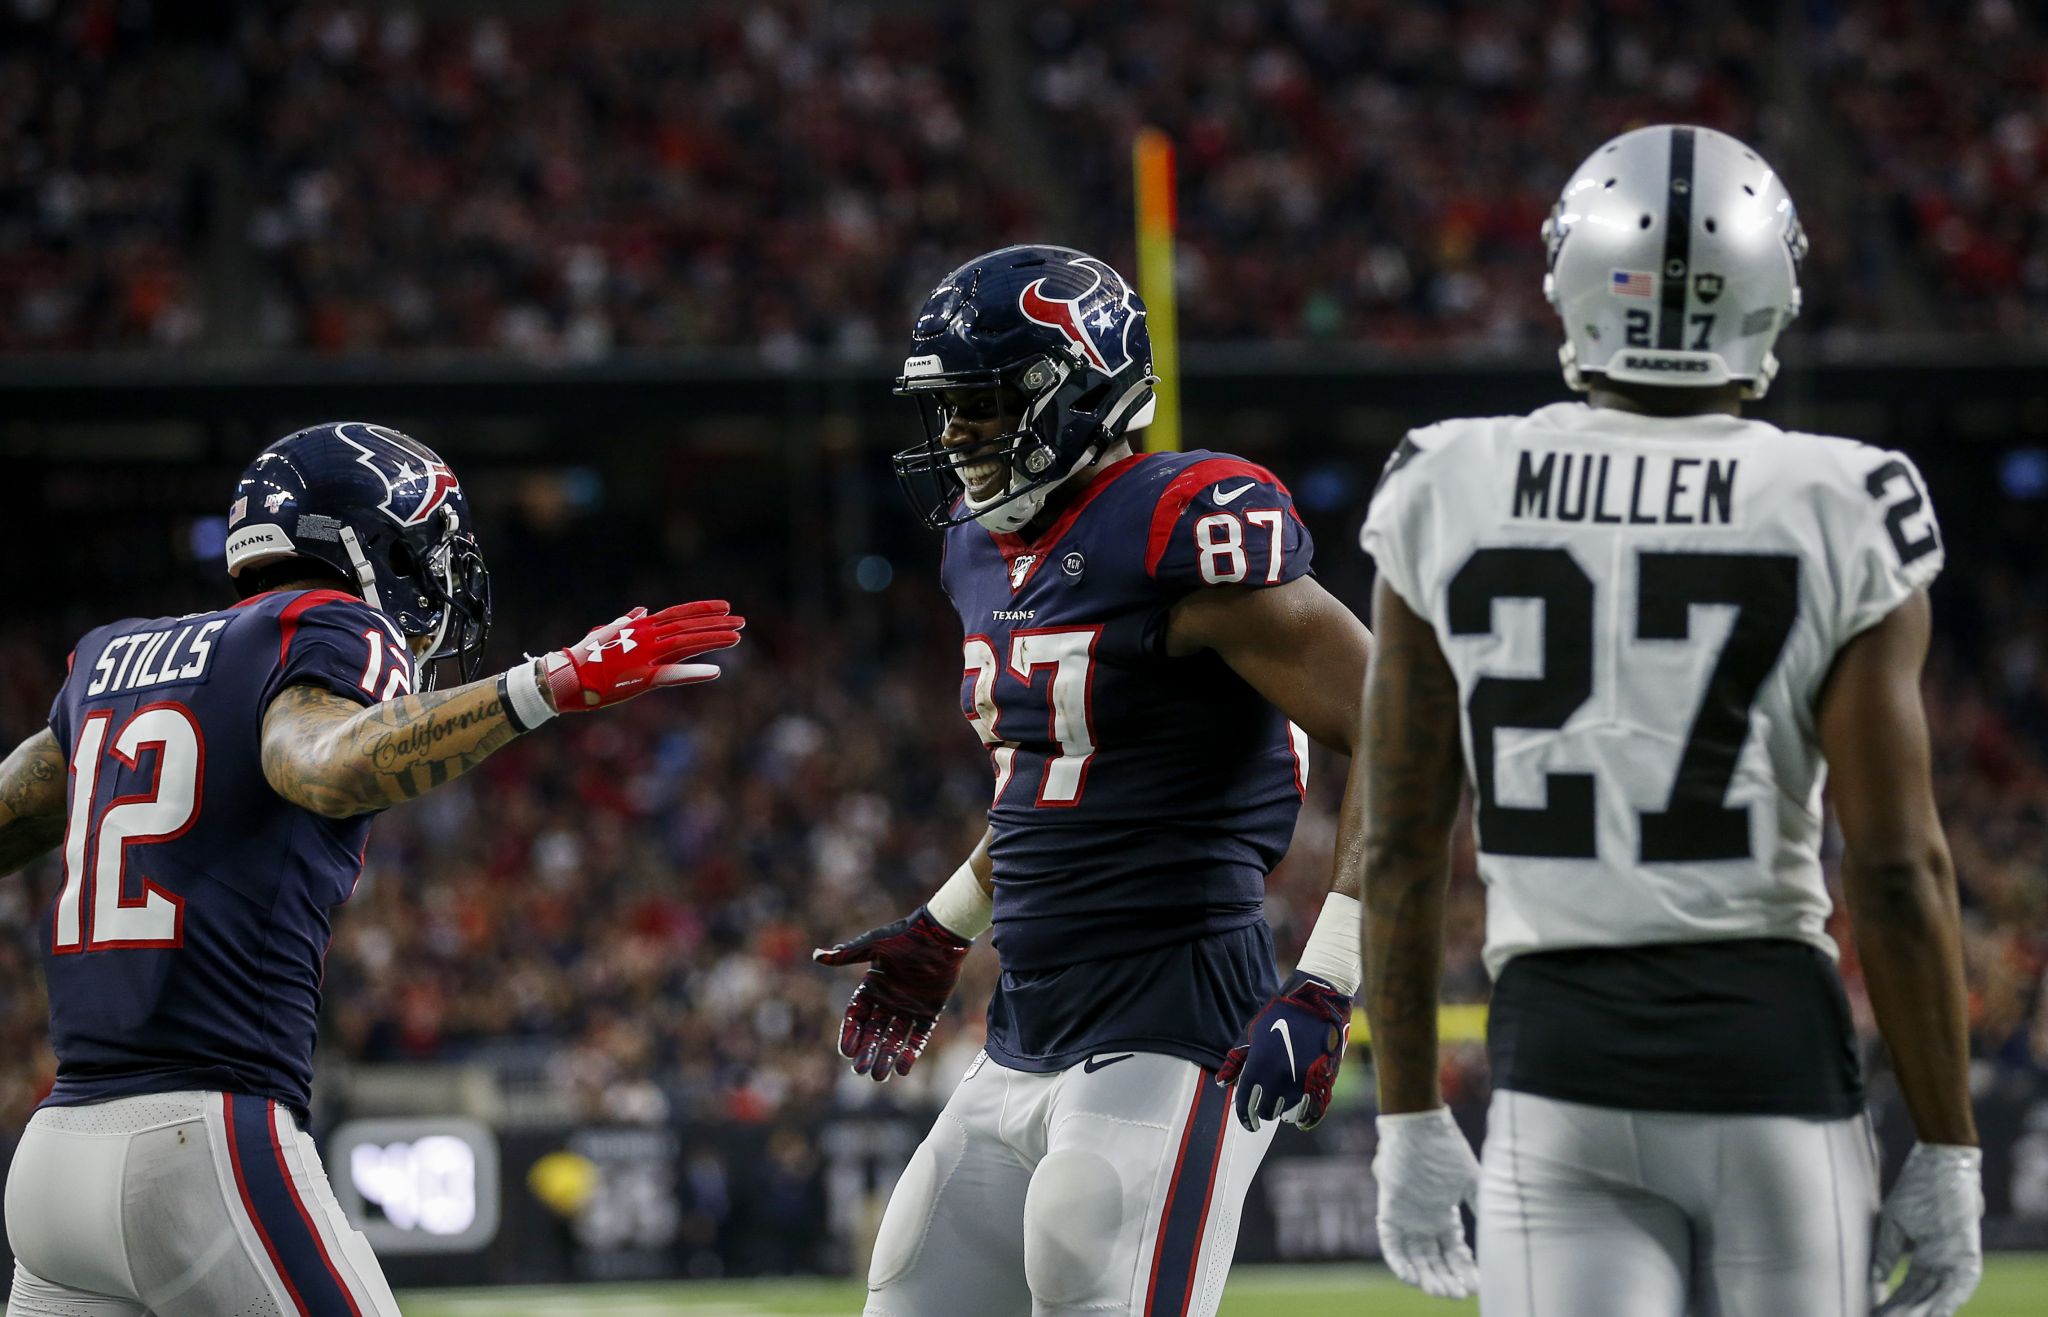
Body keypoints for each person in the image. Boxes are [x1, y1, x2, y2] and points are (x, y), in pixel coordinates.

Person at [1351, 125, 1983, 1315]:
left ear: (1569, 279)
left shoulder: (1445, 479)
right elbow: (1896, 870)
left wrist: (1404, 1113)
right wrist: (1945, 1147)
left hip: (1557, 1069)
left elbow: (1395, 843)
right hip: (1771, 1062)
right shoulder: (1841, 497)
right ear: (1770, 292)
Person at [0, 421, 744, 1316]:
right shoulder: (328, 625)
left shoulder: (108, 660)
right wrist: (545, 684)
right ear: (376, 545)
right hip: (202, 1140)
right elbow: (321, 762)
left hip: (53, 1161)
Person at [813, 245, 1372, 1317]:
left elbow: (1396, 727)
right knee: (904, 1290)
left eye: (982, 406)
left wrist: (1328, 976)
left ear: (1080, 389)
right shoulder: (981, 553)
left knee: (1087, 1265)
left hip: (1176, 1013)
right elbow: (1051, 781)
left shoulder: (1179, 518)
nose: (957, 438)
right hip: (1024, 1019)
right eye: (948, 410)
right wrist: (941, 924)